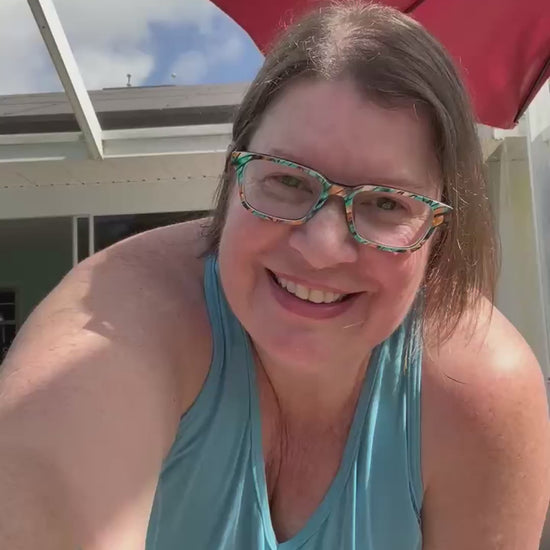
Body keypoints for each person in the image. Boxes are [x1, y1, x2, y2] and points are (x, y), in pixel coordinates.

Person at [1, 3, 549, 549]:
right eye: (287, 180)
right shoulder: (124, 313)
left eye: (386, 202)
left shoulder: (478, 394)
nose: (322, 249)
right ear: (233, 175)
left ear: (439, 234)